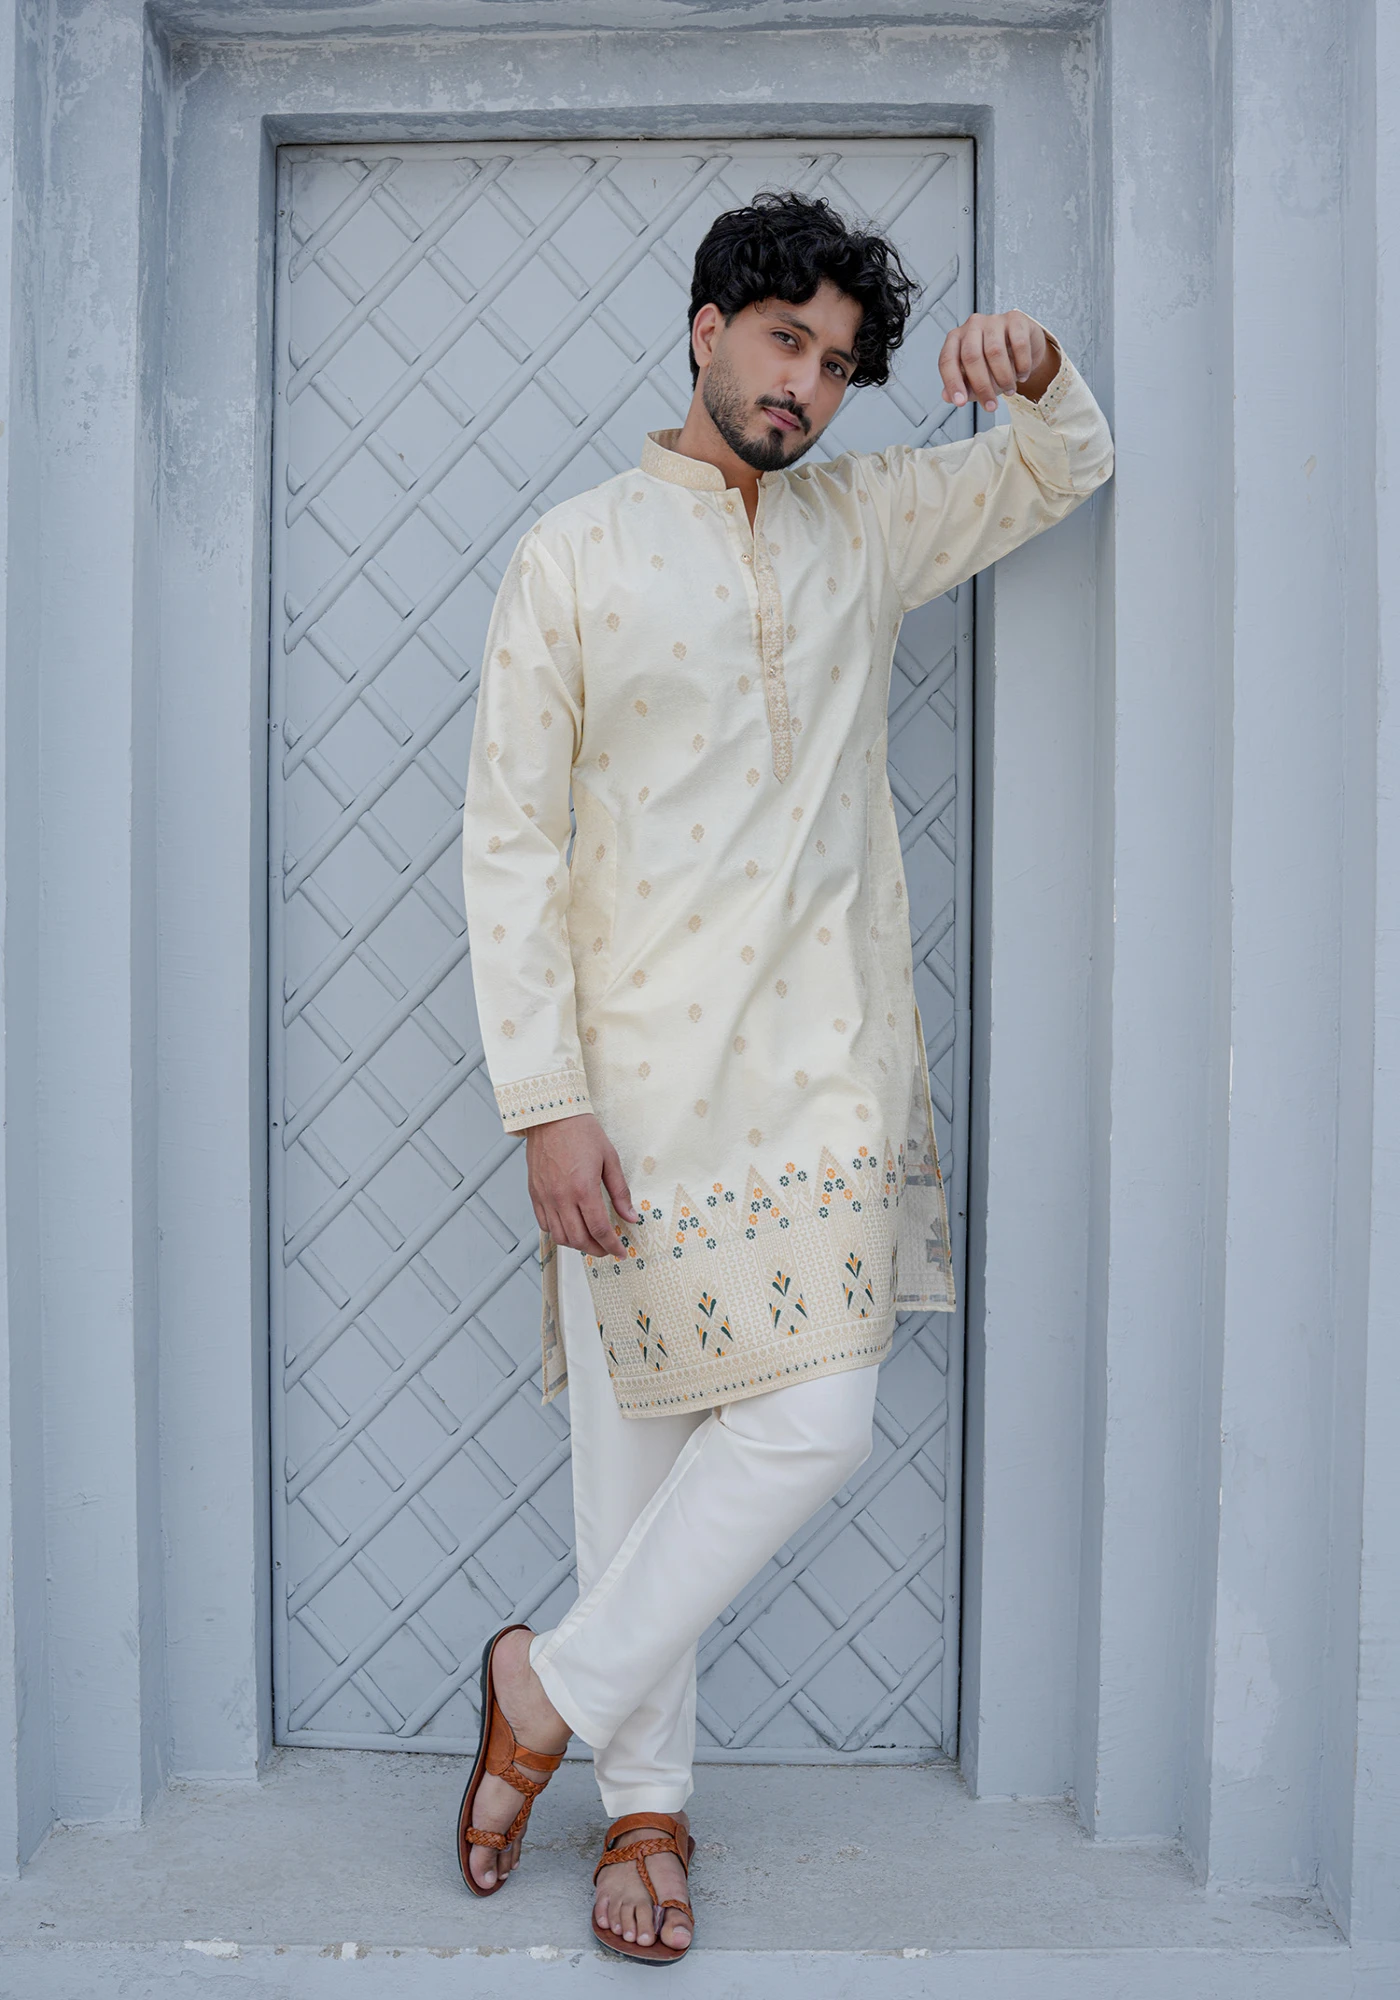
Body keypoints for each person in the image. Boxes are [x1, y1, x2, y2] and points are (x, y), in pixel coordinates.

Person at [457, 189, 1114, 1961]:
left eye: (835, 364)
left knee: (814, 1423)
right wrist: (547, 1103)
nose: (806, 387)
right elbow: (508, 848)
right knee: (636, 1479)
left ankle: (540, 1690)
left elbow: (1060, 465)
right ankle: (644, 1814)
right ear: (706, 330)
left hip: (820, 1082)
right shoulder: (572, 557)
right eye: (782, 342)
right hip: (629, 1094)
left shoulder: (866, 526)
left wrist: (1036, 368)